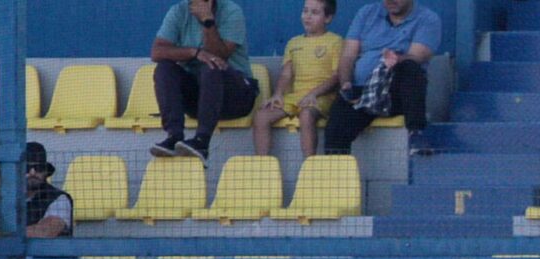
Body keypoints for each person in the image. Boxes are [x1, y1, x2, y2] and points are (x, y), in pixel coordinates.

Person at [324, 0, 441, 157]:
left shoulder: (427, 19)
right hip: (362, 90)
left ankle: (416, 134)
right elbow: (348, 55)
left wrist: (396, 60)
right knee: (335, 129)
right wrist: (346, 83)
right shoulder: (367, 13)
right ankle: (337, 178)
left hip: (394, 92)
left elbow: (419, 55)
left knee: (410, 67)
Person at [150, 0, 259, 165]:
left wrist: (207, 21)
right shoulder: (178, 11)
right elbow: (157, 52)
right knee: (164, 68)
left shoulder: (231, 11)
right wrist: (194, 52)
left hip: (237, 97)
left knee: (211, 65)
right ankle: (174, 136)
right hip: (201, 99)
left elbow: (219, 55)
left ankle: (202, 141)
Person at [253, 0, 343, 158]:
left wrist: (313, 94)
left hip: (322, 97)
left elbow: (336, 77)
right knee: (261, 116)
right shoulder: (293, 43)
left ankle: (309, 166)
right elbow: (286, 74)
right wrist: (278, 94)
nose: (307, 16)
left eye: (314, 13)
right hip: (295, 97)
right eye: (305, 11)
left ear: (328, 18)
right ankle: (263, 166)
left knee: (306, 115)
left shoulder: (335, 41)